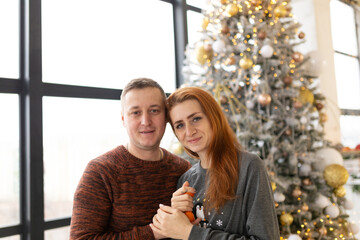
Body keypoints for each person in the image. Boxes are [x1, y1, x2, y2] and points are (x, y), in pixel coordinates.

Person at [150, 87, 280, 240]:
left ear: (213, 118)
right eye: (180, 125)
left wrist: (190, 232)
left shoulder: (249, 167)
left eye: (196, 119)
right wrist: (176, 219)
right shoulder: (186, 180)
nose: (189, 131)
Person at [70, 78, 191, 239]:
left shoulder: (182, 169)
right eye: (136, 113)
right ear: (123, 119)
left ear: (166, 117)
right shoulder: (100, 172)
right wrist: (155, 232)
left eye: (154, 110)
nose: (145, 121)